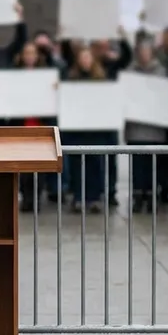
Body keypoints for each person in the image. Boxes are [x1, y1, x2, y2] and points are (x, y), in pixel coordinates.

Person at [4, 40, 60, 210]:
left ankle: (36, 198)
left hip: (39, 124)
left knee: (38, 165)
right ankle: (25, 197)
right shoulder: (14, 75)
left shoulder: (46, 75)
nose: (29, 56)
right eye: (26, 53)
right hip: (21, 124)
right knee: (22, 166)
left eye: (32, 53)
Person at [63, 46, 114, 212]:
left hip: (96, 130)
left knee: (95, 165)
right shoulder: (70, 79)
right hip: (77, 130)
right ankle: (79, 196)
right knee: (77, 166)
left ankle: (94, 197)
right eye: (82, 57)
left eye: (88, 57)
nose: (85, 61)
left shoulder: (102, 80)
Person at [126, 40, 168, 213]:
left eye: (147, 52)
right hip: (136, 127)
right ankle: (138, 195)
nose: (144, 55)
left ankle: (152, 195)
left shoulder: (162, 72)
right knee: (137, 165)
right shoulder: (130, 72)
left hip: (155, 126)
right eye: (141, 52)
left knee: (153, 164)